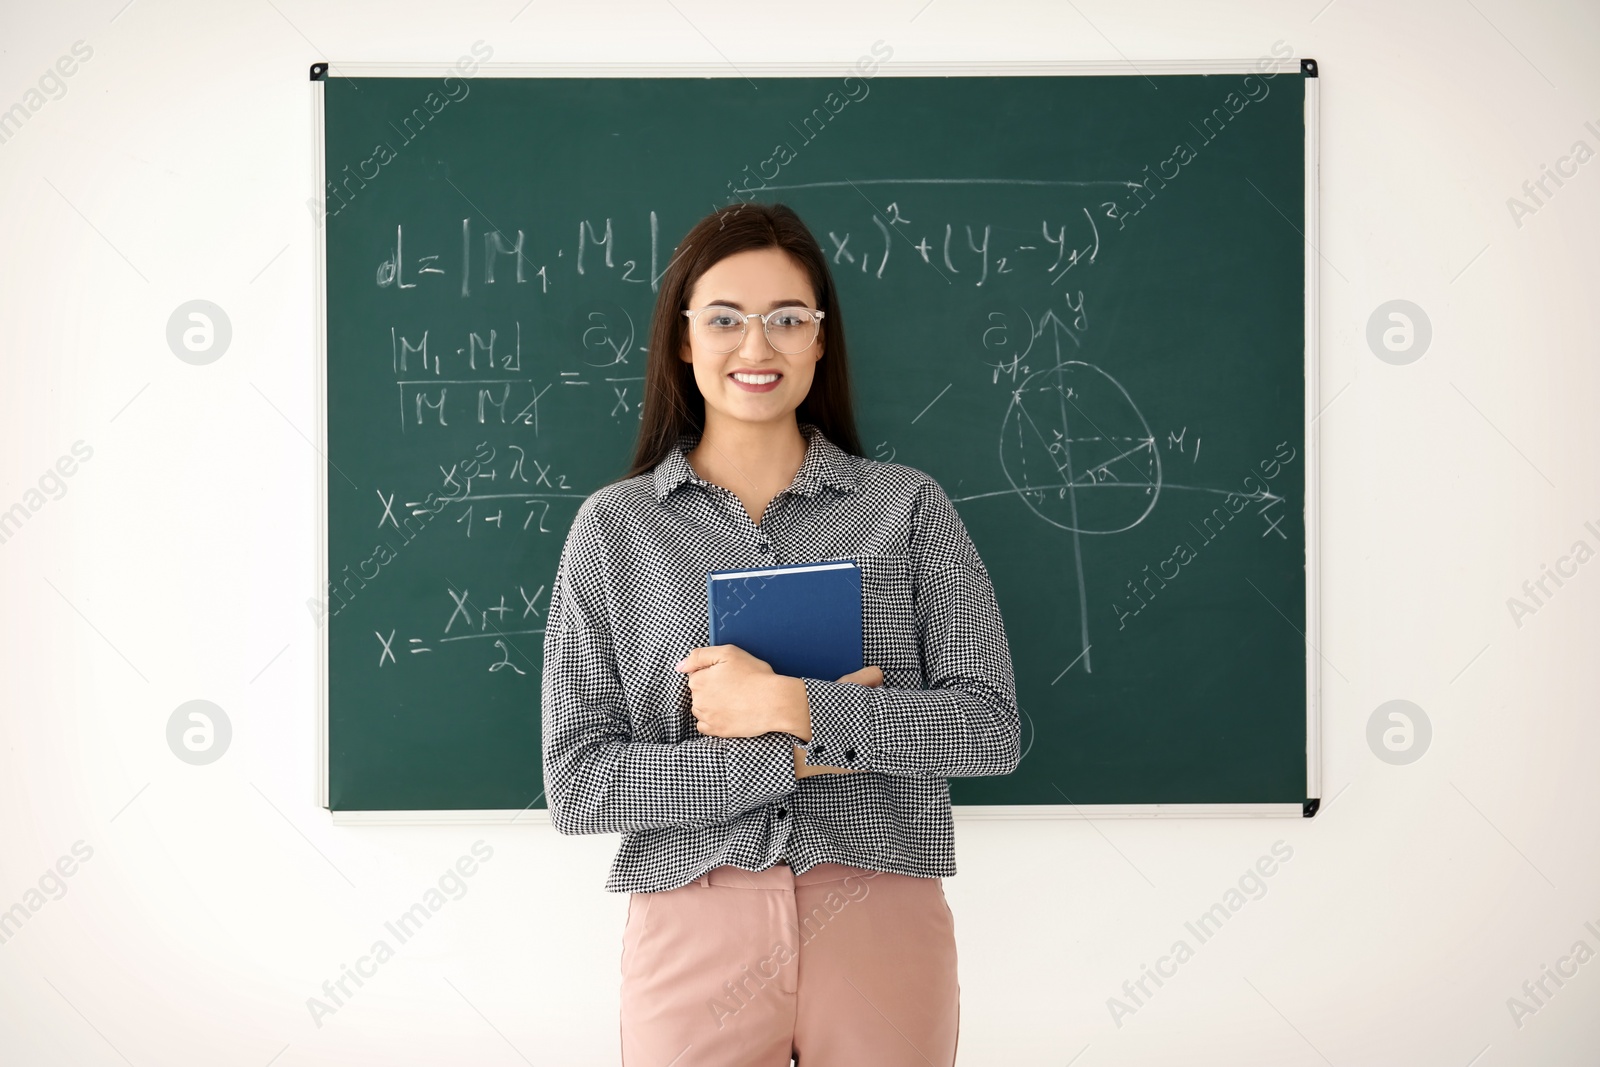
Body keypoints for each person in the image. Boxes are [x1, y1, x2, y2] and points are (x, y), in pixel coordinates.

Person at [540, 201, 1020, 1067]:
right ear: (683, 340)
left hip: (880, 907)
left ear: (820, 340)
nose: (755, 347)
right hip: (694, 914)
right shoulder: (614, 529)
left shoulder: (907, 509)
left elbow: (989, 727)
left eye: (786, 319)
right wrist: (788, 752)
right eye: (724, 319)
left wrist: (790, 702)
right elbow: (579, 785)